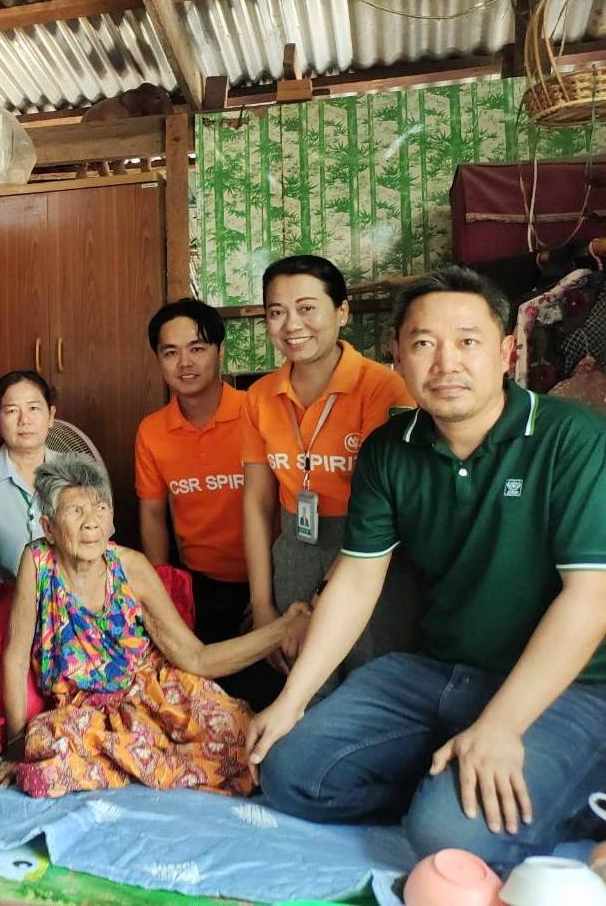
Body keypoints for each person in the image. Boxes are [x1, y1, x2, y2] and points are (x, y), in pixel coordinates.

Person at [249, 266, 606, 869]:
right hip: (436, 671)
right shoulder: (391, 449)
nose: (446, 363)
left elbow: (590, 599)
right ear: (397, 356)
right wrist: (292, 699)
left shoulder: (569, 437)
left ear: (506, 351)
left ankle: (569, 788)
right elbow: (358, 579)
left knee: (450, 839)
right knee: (289, 773)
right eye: (423, 343)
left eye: (468, 341)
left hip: (565, 687)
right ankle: (451, 782)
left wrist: (501, 726)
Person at [0, 457, 307, 798]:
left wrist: (281, 629)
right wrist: (16, 744)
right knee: (39, 771)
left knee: (248, 743)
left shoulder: (131, 567)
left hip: (154, 691)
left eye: (100, 508)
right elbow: (15, 659)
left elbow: (196, 658)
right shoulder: (38, 563)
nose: (91, 523)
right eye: (75, 512)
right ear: (49, 528)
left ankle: (139, 760)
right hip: (85, 712)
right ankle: (152, 761)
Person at [240, 254, 418, 680]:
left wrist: (318, 608)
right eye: (276, 312)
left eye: (306, 308)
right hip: (295, 550)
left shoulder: (384, 388)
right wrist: (264, 605)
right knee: (300, 683)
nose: (291, 325)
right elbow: (256, 501)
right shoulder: (260, 396)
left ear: (342, 311)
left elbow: (382, 510)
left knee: (370, 683)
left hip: (368, 554)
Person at [135, 299, 283, 710]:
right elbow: (151, 512)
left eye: (197, 348)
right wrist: (164, 593)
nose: (185, 362)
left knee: (265, 692)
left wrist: (266, 596)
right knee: (197, 699)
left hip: (268, 583)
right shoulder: (152, 431)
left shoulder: (257, 412)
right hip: (200, 586)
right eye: (171, 352)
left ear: (220, 351)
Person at [0, 369, 57, 578]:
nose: (24, 420)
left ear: (51, 416)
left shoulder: (79, 473)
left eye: (34, 408)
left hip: (67, 602)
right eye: (12, 411)